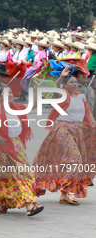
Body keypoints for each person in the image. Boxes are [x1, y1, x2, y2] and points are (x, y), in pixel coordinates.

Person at [0, 80, 44, 216]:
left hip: (16, 147)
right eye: (6, 93)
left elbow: (35, 104)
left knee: (23, 175)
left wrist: (37, 87)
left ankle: (29, 206)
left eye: (10, 92)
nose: (9, 95)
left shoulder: (18, 108)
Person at [33, 67, 96, 205]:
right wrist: (62, 76)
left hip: (78, 131)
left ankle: (64, 194)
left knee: (68, 162)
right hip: (63, 130)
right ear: (65, 85)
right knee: (75, 159)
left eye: (75, 82)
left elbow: (88, 116)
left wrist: (93, 124)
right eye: (71, 82)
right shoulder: (62, 95)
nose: (75, 84)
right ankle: (69, 191)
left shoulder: (81, 97)